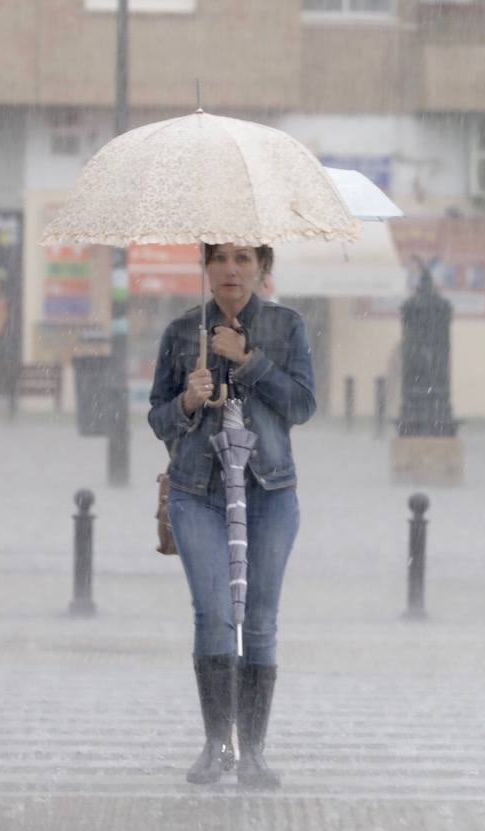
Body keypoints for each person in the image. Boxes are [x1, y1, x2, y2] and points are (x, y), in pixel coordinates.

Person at [147, 242, 315, 787]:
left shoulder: (288, 327)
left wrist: (249, 361)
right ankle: (218, 744)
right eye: (219, 258)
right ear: (206, 267)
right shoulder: (180, 333)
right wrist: (188, 403)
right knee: (214, 612)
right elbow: (158, 418)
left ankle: (255, 752)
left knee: (261, 619)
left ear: (263, 268)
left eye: (243, 259)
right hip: (198, 492)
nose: (230, 270)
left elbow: (302, 406)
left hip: (268, 492)